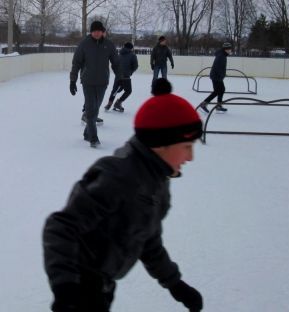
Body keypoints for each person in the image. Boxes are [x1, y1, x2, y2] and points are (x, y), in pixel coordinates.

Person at [42, 79, 204, 312]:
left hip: (103, 286)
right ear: (160, 145)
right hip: (80, 287)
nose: (191, 157)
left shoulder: (156, 180)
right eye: (187, 146)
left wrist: (175, 283)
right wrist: (67, 288)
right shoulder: (118, 177)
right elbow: (60, 227)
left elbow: (147, 239)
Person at [69, 20, 120, 148]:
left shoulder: (109, 45)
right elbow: (76, 63)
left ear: (102, 32)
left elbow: (115, 62)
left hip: (103, 82)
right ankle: (93, 138)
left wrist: (121, 77)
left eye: (99, 31)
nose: (96, 33)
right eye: (94, 31)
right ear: (91, 32)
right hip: (88, 82)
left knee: (95, 109)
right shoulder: (84, 44)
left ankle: (87, 133)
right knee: (91, 110)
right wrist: (72, 80)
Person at [199, 42, 233, 113]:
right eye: (229, 49)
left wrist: (222, 74)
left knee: (221, 90)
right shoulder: (221, 56)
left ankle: (218, 105)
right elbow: (217, 67)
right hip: (216, 76)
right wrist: (221, 75)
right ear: (225, 49)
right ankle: (204, 104)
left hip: (217, 76)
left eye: (230, 49)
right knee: (218, 91)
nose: (230, 50)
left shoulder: (223, 55)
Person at [104, 42, 138, 113]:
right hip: (126, 76)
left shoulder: (119, 54)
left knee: (115, 90)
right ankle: (118, 103)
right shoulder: (132, 55)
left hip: (118, 76)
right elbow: (135, 66)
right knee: (128, 91)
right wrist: (130, 72)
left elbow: (114, 65)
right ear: (131, 48)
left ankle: (109, 104)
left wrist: (117, 73)